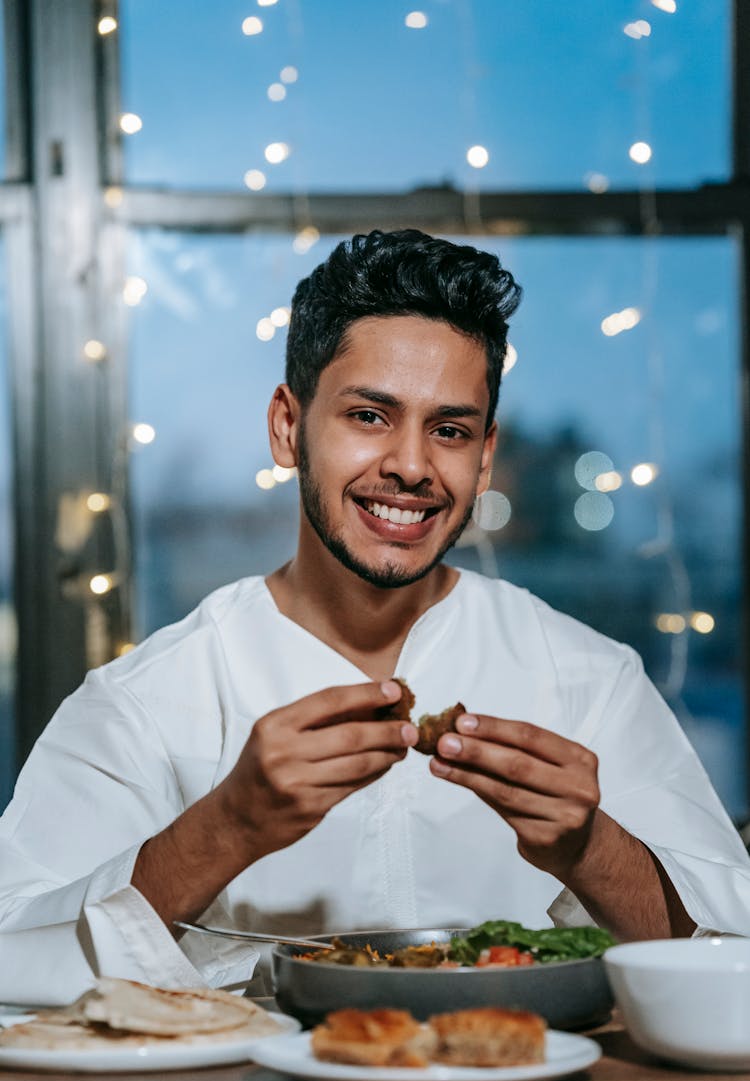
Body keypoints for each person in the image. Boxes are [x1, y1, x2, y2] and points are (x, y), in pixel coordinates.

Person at [1, 229, 749, 1006]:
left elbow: (736, 961)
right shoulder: (144, 701)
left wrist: (590, 846)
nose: (413, 465)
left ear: (485, 456)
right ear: (288, 427)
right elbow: (11, 959)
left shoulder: (589, 679)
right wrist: (225, 828)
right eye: (369, 415)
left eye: (450, 430)